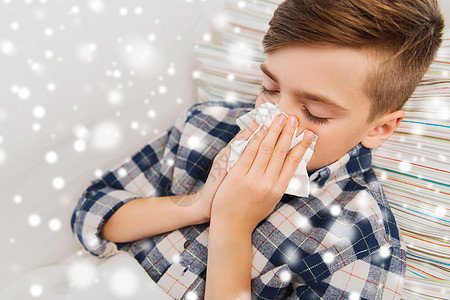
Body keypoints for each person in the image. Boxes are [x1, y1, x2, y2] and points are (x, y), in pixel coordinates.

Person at [71, 0, 444, 299]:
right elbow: (92, 212)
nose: (272, 119)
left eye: (315, 113)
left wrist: (232, 227)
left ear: (379, 128)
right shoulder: (205, 126)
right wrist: (199, 205)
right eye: (269, 87)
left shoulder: (358, 245)